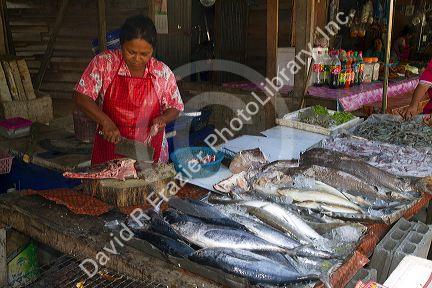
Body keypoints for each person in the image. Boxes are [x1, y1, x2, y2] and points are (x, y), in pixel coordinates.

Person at [74, 15, 184, 165]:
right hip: (110, 148)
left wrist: (163, 119)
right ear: (121, 44)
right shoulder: (104, 63)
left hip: (149, 151)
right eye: (131, 52)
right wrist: (105, 122)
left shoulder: (162, 72)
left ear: (153, 50)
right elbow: (81, 96)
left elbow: (175, 106)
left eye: (144, 54)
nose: (137, 58)